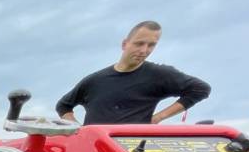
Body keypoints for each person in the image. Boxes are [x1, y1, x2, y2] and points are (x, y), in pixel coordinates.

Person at [55, 20, 211, 125]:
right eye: (139, 44)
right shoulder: (94, 81)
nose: (144, 50)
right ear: (125, 44)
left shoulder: (159, 75)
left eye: (151, 45)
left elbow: (200, 89)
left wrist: (157, 118)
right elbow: (63, 106)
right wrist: (79, 131)